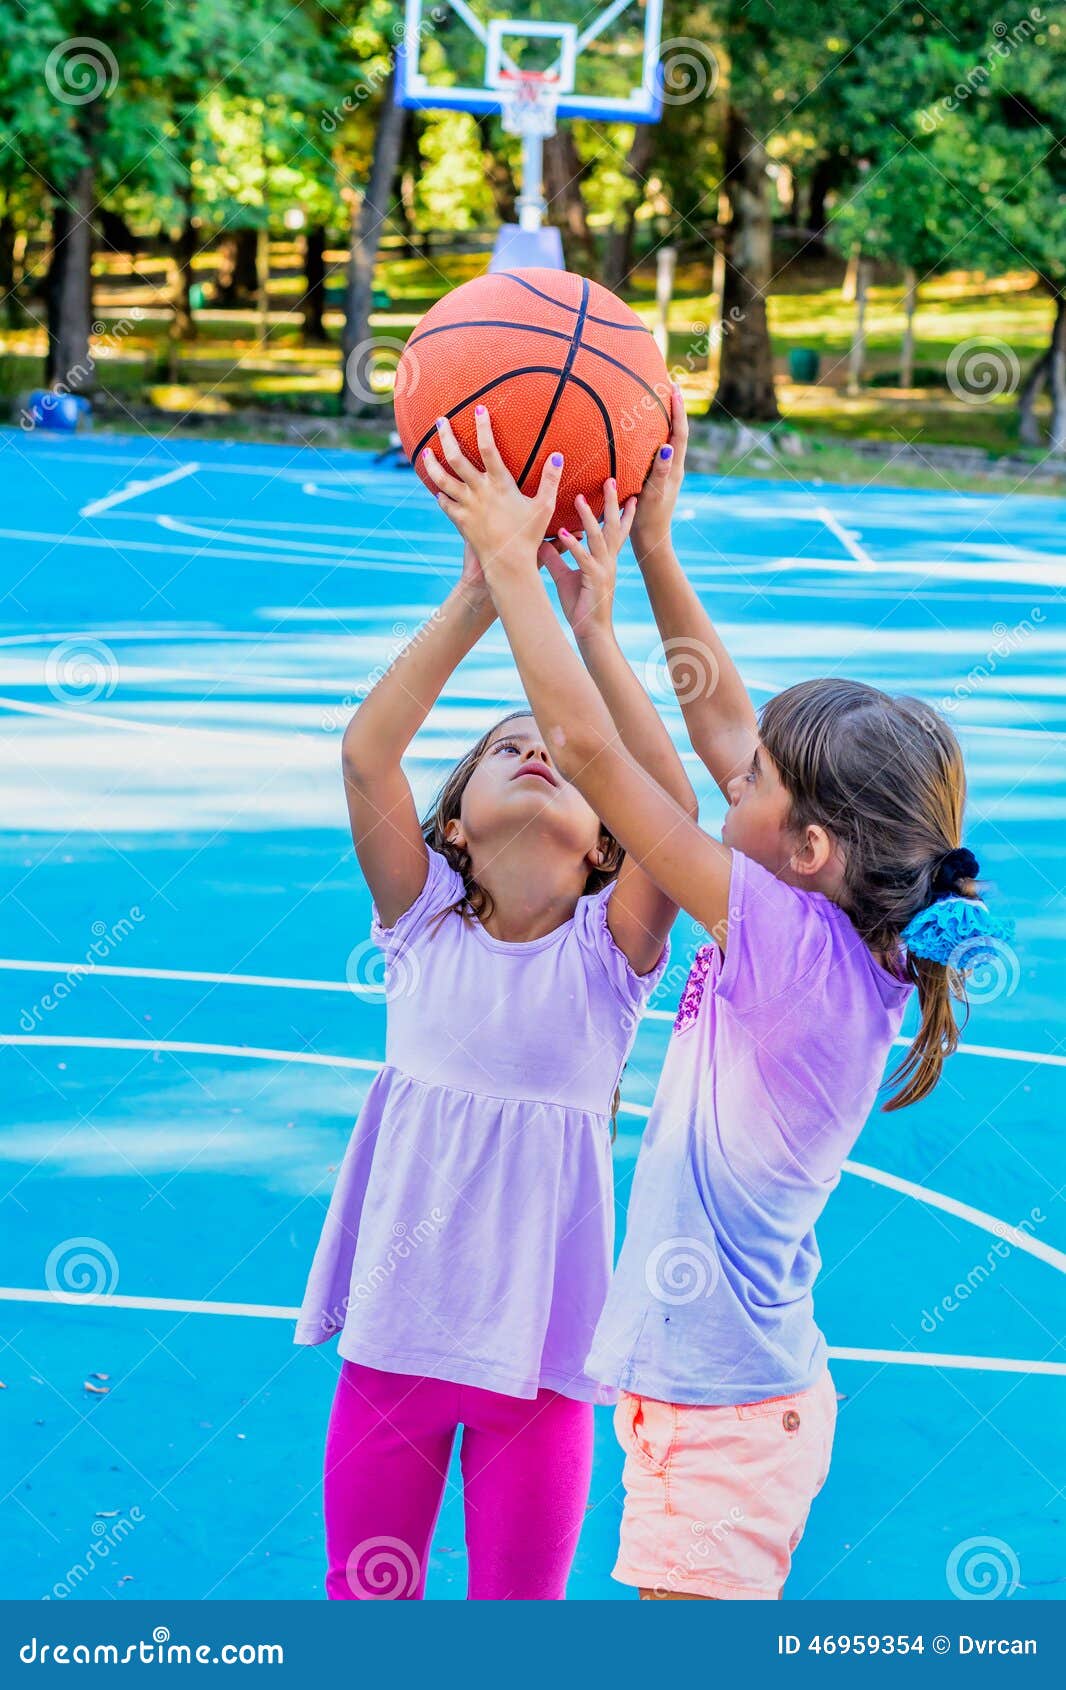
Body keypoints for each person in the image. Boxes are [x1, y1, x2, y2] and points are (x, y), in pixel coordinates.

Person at [425, 391, 1011, 1601]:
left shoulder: (788, 942)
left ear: (803, 847)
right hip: (708, 1389)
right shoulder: (841, 920)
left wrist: (510, 573)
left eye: (747, 782)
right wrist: (642, 561)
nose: (724, 774)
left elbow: (599, 760)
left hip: (729, 1411)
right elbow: (717, 717)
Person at [295, 523, 695, 1600]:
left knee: (519, 1620)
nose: (536, 747)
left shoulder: (612, 954)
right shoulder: (420, 919)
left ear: (607, 842)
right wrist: (477, 595)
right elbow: (365, 752)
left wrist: (589, 629)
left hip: (543, 1361)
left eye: (564, 756)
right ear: (455, 829)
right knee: (367, 1600)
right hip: (393, 1343)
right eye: (504, 744)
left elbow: (676, 803)